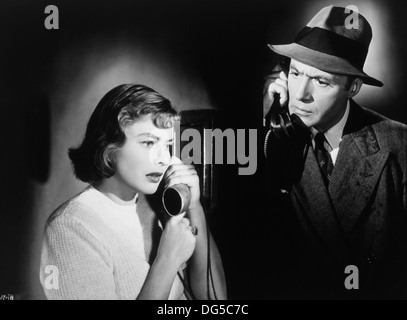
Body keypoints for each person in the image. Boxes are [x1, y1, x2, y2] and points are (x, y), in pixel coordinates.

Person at [262, 6, 407, 299]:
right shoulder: (276, 138)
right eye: (295, 72)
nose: (300, 94)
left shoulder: (398, 143)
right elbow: (253, 241)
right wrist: (265, 122)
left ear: (353, 87)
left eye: (321, 80)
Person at [39, 84, 227, 300]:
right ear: (108, 150)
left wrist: (195, 207)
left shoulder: (159, 205)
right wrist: (167, 260)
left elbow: (216, 301)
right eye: (148, 142)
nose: (163, 158)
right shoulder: (70, 228)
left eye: (168, 145)